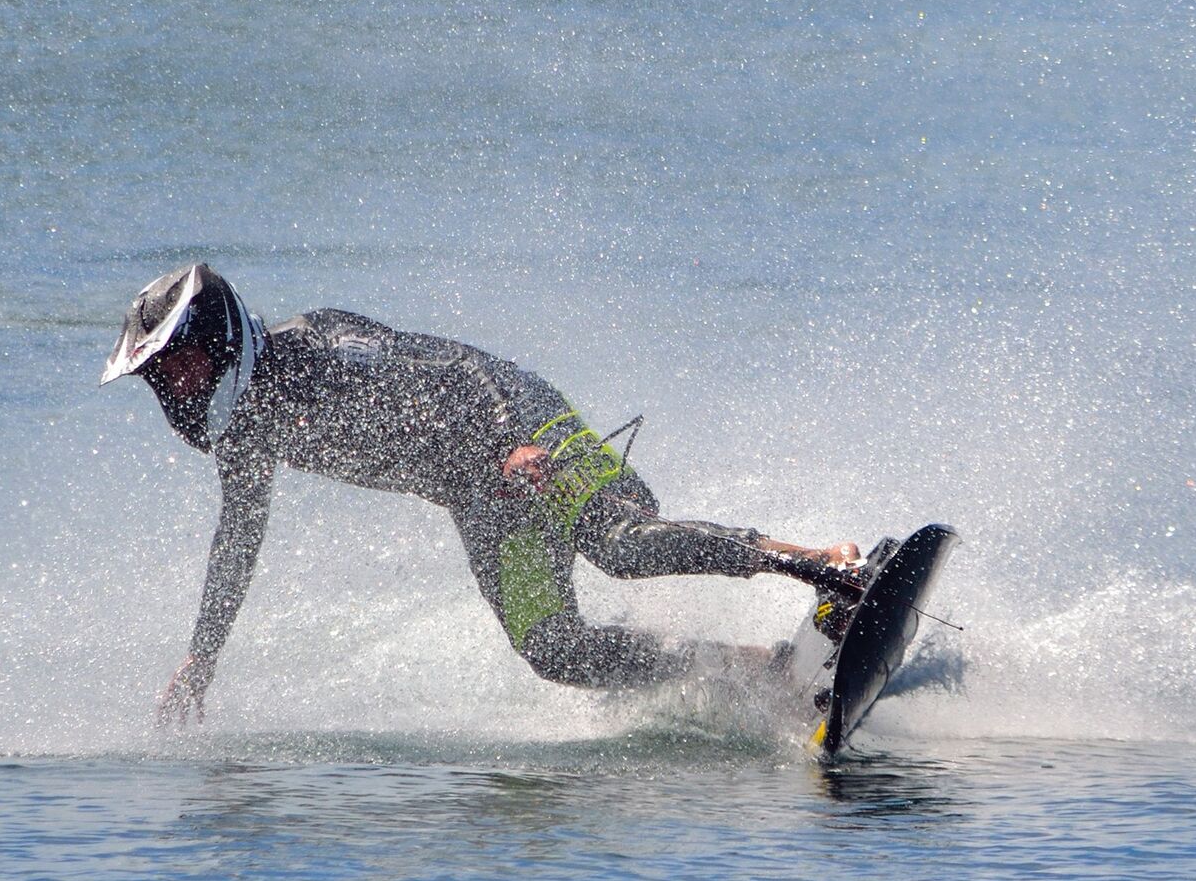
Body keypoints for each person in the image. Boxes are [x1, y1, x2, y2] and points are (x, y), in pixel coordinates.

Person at [102, 264, 864, 724]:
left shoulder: (318, 346)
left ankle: (825, 563)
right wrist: (202, 657)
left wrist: (512, 440)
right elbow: (237, 539)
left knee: (622, 548)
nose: (171, 384)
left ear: (214, 335)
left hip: (527, 431)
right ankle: (756, 672)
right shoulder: (249, 432)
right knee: (554, 650)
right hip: (483, 496)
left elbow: (456, 368)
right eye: (159, 376)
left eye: (175, 365)